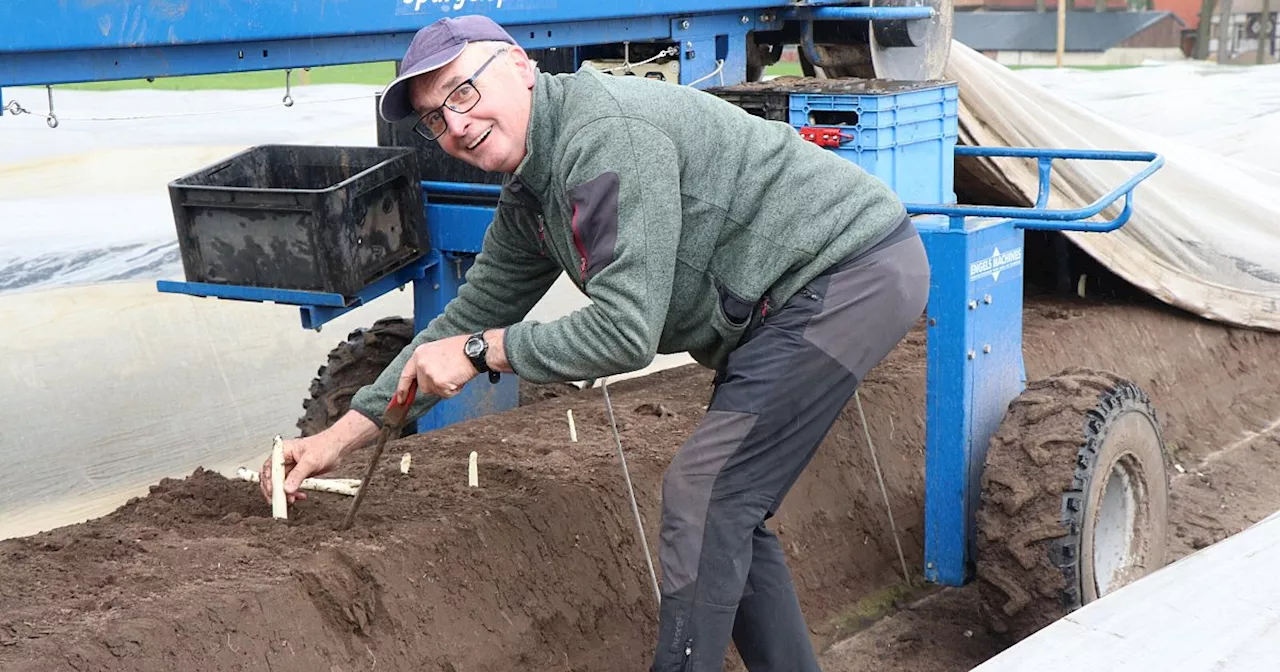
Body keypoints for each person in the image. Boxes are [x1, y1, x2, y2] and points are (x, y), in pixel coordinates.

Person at [260, 14, 930, 672]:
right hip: (780, 308)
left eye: (462, 92)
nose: (455, 124)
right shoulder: (532, 187)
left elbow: (623, 333)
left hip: (845, 273)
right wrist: (337, 439)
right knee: (728, 511)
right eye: (436, 117)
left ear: (521, 67)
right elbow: (468, 316)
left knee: (704, 496)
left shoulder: (602, 136)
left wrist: (478, 354)